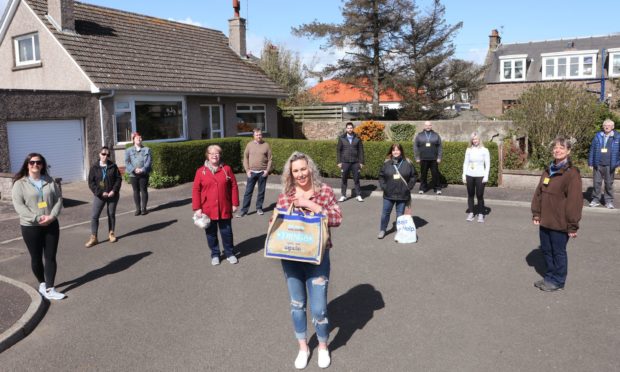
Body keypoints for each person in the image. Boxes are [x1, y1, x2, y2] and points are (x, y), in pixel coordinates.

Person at [275, 152, 342, 369]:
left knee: (320, 309)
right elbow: (275, 224)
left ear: (310, 168)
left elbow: (337, 218)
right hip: (292, 258)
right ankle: (303, 347)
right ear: (291, 174)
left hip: (317, 258)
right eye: (296, 171)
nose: (301, 174)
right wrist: (278, 216)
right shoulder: (286, 195)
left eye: (303, 169)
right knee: (297, 305)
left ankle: (323, 346)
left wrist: (315, 207)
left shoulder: (325, 192)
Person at [531, 137, 583, 292]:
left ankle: (558, 280)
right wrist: (536, 214)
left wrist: (572, 226)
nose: (557, 150)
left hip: (560, 222)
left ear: (568, 151)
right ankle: (549, 277)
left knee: (558, 252)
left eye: (561, 147)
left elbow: (575, 201)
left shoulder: (571, 173)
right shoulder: (548, 170)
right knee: (546, 250)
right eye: (555, 147)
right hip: (545, 220)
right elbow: (538, 193)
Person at [11, 153, 65, 300]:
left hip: (51, 224)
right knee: (36, 258)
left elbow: (58, 199)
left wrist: (52, 216)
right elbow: (19, 206)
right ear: (27, 165)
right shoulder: (20, 184)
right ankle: (42, 282)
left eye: (39, 162)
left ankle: (50, 288)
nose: (35, 165)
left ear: (42, 165)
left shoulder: (49, 181)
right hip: (30, 226)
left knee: (50, 256)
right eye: (32, 162)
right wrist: (37, 217)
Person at [192, 145, 240, 266]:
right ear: (207, 156)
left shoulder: (226, 169)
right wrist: (197, 207)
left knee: (227, 233)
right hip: (207, 209)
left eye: (217, 153)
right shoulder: (200, 171)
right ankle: (215, 254)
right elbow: (196, 190)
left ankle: (229, 253)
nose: (214, 155)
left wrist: (235, 203)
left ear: (220, 155)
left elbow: (234, 186)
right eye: (211, 153)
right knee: (211, 234)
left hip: (225, 207)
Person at [377, 144, 417, 239]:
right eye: (394, 150)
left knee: (400, 214)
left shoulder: (408, 163)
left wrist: (409, 187)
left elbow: (414, 176)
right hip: (388, 193)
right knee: (385, 213)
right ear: (391, 152)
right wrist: (384, 187)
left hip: (402, 193)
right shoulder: (387, 163)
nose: (395, 152)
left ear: (401, 151)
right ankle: (383, 230)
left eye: (398, 150)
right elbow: (381, 176)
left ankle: (399, 231)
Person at [85, 146, 122, 247]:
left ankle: (111, 233)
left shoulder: (113, 166)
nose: (105, 156)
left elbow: (118, 179)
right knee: (94, 216)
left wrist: (114, 191)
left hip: (112, 195)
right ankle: (94, 237)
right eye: (103, 154)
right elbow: (91, 183)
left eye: (107, 155)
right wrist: (100, 193)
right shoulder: (94, 167)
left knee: (111, 214)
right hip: (100, 195)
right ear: (99, 154)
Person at [236, 128, 272, 217]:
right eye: (257, 135)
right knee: (248, 192)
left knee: (261, 191)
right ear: (253, 136)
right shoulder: (249, 145)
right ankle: (244, 210)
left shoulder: (266, 145)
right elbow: (245, 158)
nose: (259, 136)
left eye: (260, 134)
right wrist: (247, 170)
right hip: (251, 172)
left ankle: (259, 208)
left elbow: (270, 159)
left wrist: (267, 171)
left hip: (262, 173)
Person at [588, 118, 620, 209]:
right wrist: (590, 162)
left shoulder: (617, 137)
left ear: (613, 127)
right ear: (603, 126)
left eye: (609, 125)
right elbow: (592, 149)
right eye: (605, 125)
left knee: (609, 183)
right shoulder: (598, 136)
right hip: (598, 163)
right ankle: (595, 200)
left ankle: (608, 201)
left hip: (610, 164)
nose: (607, 127)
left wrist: (618, 164)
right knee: (596, 182)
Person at [462, 132, 491, 223]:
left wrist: (486, 175)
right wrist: (464, 174)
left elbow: (488, 164)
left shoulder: (484, 150)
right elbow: (466, 163)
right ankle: (471, 212)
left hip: (480, 176)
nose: (475, 141)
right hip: (469, 175)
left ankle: (481, 213)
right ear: (471, 140)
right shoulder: (468, 150)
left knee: (479, 195)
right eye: (473, 139)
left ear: (479, 139)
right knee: (470, 195)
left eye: (476, 139)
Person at [336, 122, 365, 202]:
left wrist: (361, 162)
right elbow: (338, 150)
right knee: (344, 179)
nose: (350, 129)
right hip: (345, 162)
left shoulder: (357, 138)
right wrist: (339, 162)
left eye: (351, 128)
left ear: (353, 128)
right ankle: (343, 195)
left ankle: (358, 195)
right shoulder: (341, 138)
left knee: (356, 179)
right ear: (346, 129)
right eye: (348, 128)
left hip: (355, 162)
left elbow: (361, 151)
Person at [125, 132, 151, 216]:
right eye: (137, 138)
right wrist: (133, 169)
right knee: (136, 191)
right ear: (133, 140)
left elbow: (148, 162)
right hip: (133, 174)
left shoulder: (147, 149)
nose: (139, 139)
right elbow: (127, 162)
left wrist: (142, 169)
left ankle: (144, 209)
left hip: (143, 173)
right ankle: (138, 209)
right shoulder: (128, 150)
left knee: (143, 190)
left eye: (140, 138)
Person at [413, 121, 443, 194]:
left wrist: (439, 157)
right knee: (423, 175)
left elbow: (440, 147)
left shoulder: (436, 135)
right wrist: (417, 157)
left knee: (435, 174)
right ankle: (422, 188)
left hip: (434, 159)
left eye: (429, 125)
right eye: (426, 125)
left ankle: (437, 188)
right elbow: (415, 146)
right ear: (424, 126)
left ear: (431, 126)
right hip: (423, 158)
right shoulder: (419, 135)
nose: (428, 127)